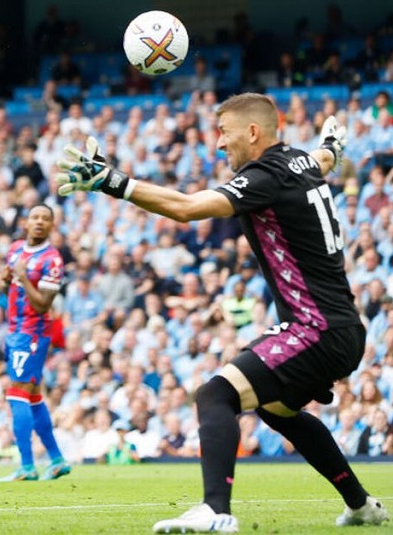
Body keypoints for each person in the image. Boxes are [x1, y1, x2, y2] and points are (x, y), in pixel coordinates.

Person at [56, 93, 389, 532]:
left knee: (216, 395)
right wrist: (330, 145)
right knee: (276, 409)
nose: (217, 144)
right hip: (342, 327)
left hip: (316, 328)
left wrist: (111, 182)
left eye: (224, 133)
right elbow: (324, 160)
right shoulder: (301, 163)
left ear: (253, 133)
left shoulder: (266, 175)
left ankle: (216, 511)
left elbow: (187, 208)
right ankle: (361, 504)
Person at [0, 204, 71, 482]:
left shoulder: (52, 260)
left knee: (16, 393)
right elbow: (11, 288)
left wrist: (24, 276)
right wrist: (8, 280)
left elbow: (42, 304)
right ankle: (57, 460)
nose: (39, 222)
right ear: (26, 222)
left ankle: (27, 466)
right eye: (35, 217)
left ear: (52, 225)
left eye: (45, 218)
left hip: (33, 333)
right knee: (32, 395)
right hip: (15, 330)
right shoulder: (15, 248)